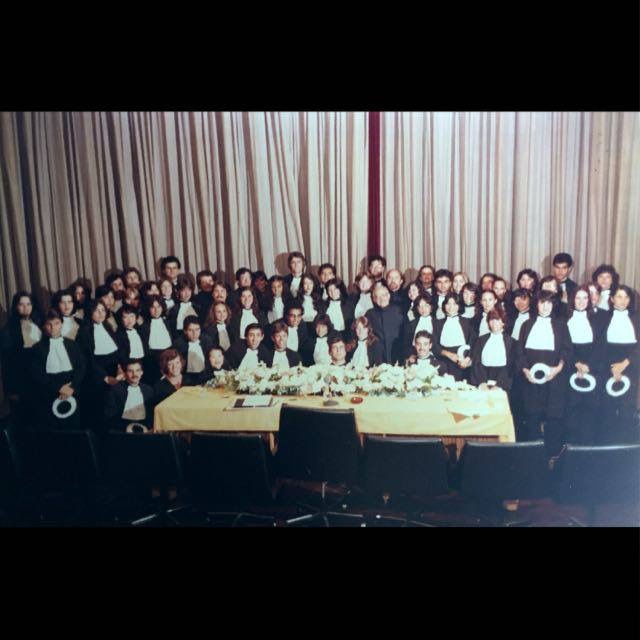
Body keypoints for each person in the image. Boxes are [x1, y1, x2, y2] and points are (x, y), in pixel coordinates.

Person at [515, 290, 573, 458]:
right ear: (537, 304)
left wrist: (558, 368)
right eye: (542, 302)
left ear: (553, 305)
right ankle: (532, 459)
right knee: (531, 419)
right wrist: (525, 371)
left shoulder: (561, 325)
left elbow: (567, 350)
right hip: (531, 381)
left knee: (553, 421)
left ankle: (552, 458)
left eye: (549, 302)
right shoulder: (526, 325)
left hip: (554, 380)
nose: (545, 306)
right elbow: (519, 352)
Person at [592, 285, 639, 444]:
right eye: (619, 296)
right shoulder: (603, 318)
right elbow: (599, 347)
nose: (623, 300)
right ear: (611, 299)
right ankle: (607, 448)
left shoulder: (637, 318)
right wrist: (613, 368)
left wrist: (624, 365)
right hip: (608, 368)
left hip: (630, 367)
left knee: (627, 409)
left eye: (626, 297)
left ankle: (625, 448)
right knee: (608, 409)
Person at [564, 286, 608, 445]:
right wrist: (576, 363)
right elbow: (564, 345)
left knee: (590, 409)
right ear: (572, 300)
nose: (581, 301)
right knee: (571, 408)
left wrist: (588, 366)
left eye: (585, 298)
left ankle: (587, 449)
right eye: (578, 298)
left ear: (589, 300)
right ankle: (571, 449)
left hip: (592, 368)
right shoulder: (565, 319)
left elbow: (601, 345)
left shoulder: (598, 320)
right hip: (571, 367)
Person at [30, 310, 86, 430]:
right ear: (44, 326)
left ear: (61, 324)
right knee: (52, 428)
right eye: (49, 324)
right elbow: (38, 374)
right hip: (50, 392)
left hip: (72, 390)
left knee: (74, 426)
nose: (53, 328)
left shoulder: (72, 345)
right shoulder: (37, 348)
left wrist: (72, 387)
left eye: (56, 323)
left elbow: (81, 367)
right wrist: (59, 388)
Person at [1, 292, 43, 428]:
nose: (26, 307)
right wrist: (11, 389)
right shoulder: (8, 329)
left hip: (40, 377)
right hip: (21, 380)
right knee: (25, 421)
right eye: (21, 304)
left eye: (28, 304)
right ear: (16, 307)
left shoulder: (39, 322)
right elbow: (7, 363)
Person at [77, 300, 123, 426]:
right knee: (102, 412)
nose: (101, 313)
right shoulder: (84, 331)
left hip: (114, 375)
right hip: (97, 378)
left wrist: (119, 368)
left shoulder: (107, 327)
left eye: (103, 310)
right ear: (90, 312)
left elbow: (116, 352)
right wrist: (105, 378)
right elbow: (88, 360)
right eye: (97, 310)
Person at [469, 307, 515, 392]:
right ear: (488, 323)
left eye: (497, 319)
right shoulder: (480, 340)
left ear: (503, 322)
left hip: (502, 381)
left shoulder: (511, 342)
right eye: (491, 320)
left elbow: (511, 366)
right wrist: (482, 383)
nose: (494, 323)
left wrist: (499, 385)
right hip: (482, 379)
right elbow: (476, 363)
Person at [431, 292, 475, 381]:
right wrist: (449, 354)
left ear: (459, 306)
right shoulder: (437, 323)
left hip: (462, 361)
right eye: (448, 303)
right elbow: (434, 346)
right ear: (444, 305)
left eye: (455, 304)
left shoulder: (468, 322)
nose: (451, 307)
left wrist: (467, 360)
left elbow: (473, 343)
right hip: (443, 361)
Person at [104, 359, 154, 432]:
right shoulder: (115, 390)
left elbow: (151, 415)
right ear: (125, 373)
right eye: (130, 371)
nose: (134, 374)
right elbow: (110, 416)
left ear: (142, 372)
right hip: (122, 430)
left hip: (145, 429)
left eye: (137, 370)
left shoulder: (149, 390)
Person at [364, 282, 405, 364]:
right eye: (378, 297)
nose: (382, 298)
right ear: (374, 300)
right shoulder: (370, 314)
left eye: (384, 295)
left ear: (389, 296)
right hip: (378, 354)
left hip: (396, 351)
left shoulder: (399, 311)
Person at [140, 295, 173, 385]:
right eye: (152, 307)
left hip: (168, 359)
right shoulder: (144, 327)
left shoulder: (167, 322)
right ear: (148, 309)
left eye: (158, 307)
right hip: (152, 362)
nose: (156, 310)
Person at [172, 317, 214, 382]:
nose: (194, 333)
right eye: (190, 330)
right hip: (187, 378)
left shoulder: (207, 341)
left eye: (197, 329)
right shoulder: (178, 344)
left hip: (206, 376)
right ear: (185, 331)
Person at [402, 294, 434, 360]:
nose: (423, 309)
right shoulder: (410, 325)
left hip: (434, 357)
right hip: (415, 357)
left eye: (426, 305)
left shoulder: (438, 323)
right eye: (420, 306)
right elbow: (405, 344)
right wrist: (411, 355)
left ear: (431, 307)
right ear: (417, 308)